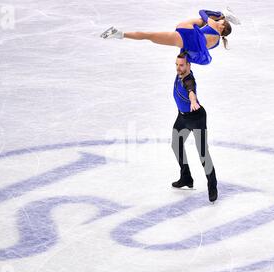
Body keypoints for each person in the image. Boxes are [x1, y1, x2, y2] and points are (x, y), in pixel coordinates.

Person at [101, 8, 240, 65]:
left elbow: (202, 12)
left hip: (186, 36)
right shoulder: (216, 43)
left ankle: (120, 34)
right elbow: (199, 46)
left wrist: (217, 14)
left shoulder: (215, 26)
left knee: (149, 35)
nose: (217, 22)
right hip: (187, 40)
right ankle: (120, 34)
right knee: (149, 36)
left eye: (220, 21)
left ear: (222, 27)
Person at [171, 51, 218, 202]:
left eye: (182, 65)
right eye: (177, 65)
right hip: (182, 117)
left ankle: (212, 186)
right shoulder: (181, 71)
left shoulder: (188, 80)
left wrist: (193, 101)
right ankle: (186, 177)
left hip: (196, 118)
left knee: (203, 154)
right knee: (176, 144)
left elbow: (191, 91)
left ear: (189, 65)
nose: (178, 68)